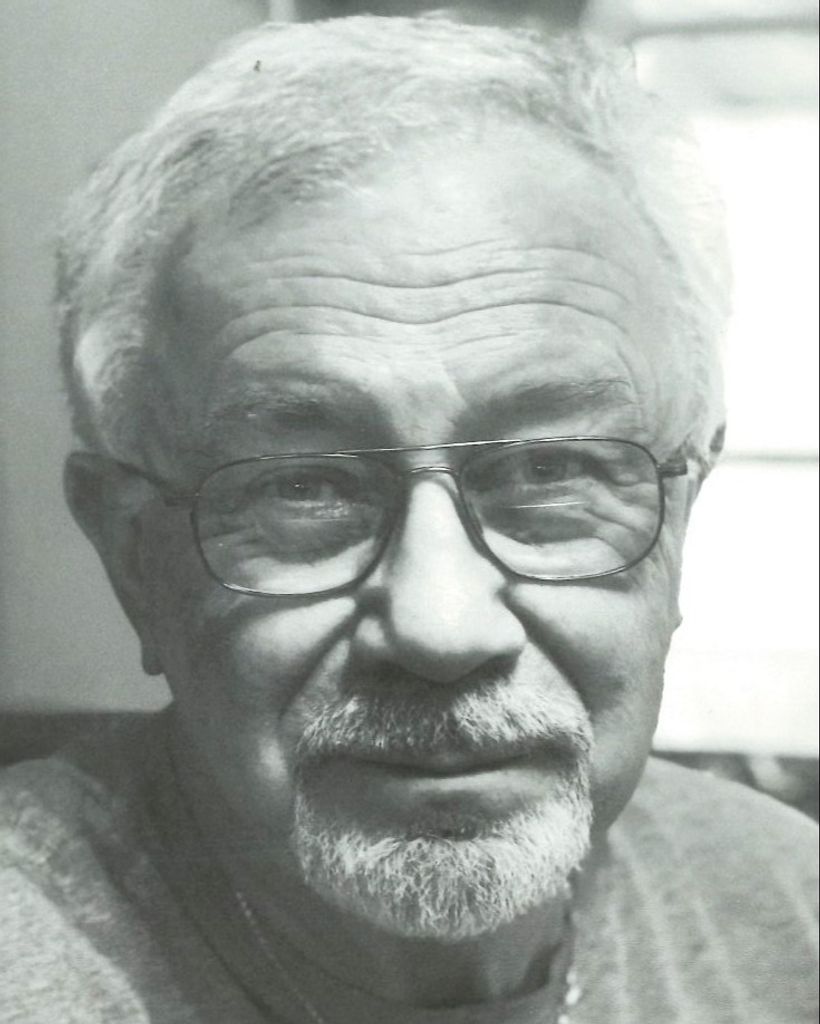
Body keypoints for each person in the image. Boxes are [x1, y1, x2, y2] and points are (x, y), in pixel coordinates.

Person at [1, 16, 816, 1024]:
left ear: (680, 521)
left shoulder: (791, 917)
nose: (441, 627)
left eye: (550, 470)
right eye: (303, 488)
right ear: (133, 557)